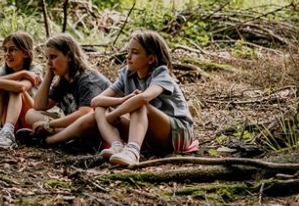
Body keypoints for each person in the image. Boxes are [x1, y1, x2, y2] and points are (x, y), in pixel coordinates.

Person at [92, 30, 197, 167]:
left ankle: (132, 153)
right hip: (150, 134)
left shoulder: (161, 74)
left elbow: (144, 98)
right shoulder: (127, 74)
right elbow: (96, 101)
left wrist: (114, 114)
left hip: (177, 134)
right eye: (128, 51)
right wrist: (124, 100)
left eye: (135, 52)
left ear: (151, 58)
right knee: (100, 109)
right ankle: (117, 146)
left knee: (140, 103)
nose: (128, 56)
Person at [21, 34, 110, 147]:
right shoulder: (64, 80)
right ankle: (67, 136)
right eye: (47, 58)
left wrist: (49, 124)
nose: (48, 63)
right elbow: (39, 106)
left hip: (98, 127)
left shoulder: (88, 79)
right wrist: (49, 75)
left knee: (87, 121)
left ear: (68, 56)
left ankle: (49, 140)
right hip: (75, 126)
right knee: (31, 114)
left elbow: (85, 113)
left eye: (53, 57)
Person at [0, 32, 44, 151]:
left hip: (30, 118)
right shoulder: (3, 70)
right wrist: (22, 74)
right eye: (5, 50)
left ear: (25, 53)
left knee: (14, 89)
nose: (7, 54)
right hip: (10, 120)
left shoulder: (35, 69)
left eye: (12, 50)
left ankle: (8, 133)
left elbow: (21, 87)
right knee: (1, 89)